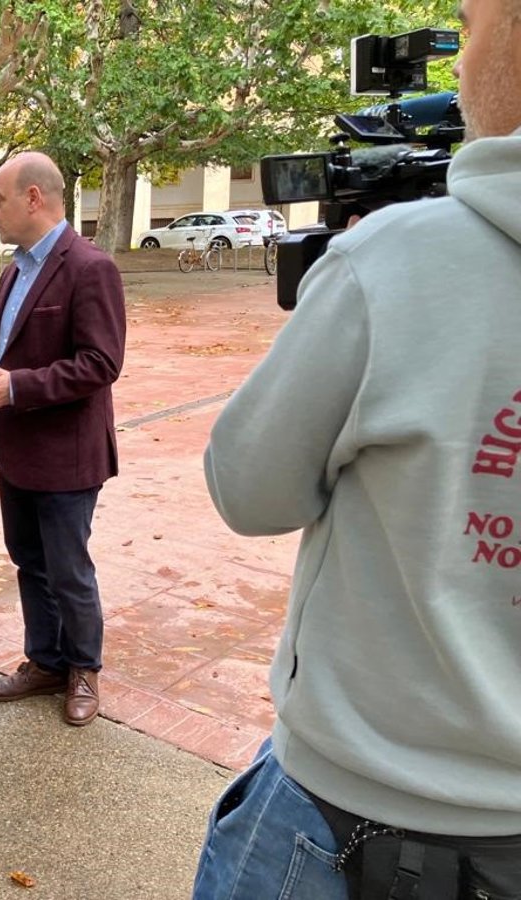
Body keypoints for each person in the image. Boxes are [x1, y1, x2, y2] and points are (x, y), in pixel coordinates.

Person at [192, 2, 521, 895]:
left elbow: (248, 488)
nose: (459, 65)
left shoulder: (396, 258)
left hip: (349, 810)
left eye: (469, 27)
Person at [0, 152, 125, 727]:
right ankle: (46, 661)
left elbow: (100, 363)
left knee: (68, 569)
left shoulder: (90, 267)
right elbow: (2, 353)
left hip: (68, 454)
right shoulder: (13, 270)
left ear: (34, 198)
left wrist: (15, 389)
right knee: (29, 562)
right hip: (17, 451)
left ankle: (84, 669)